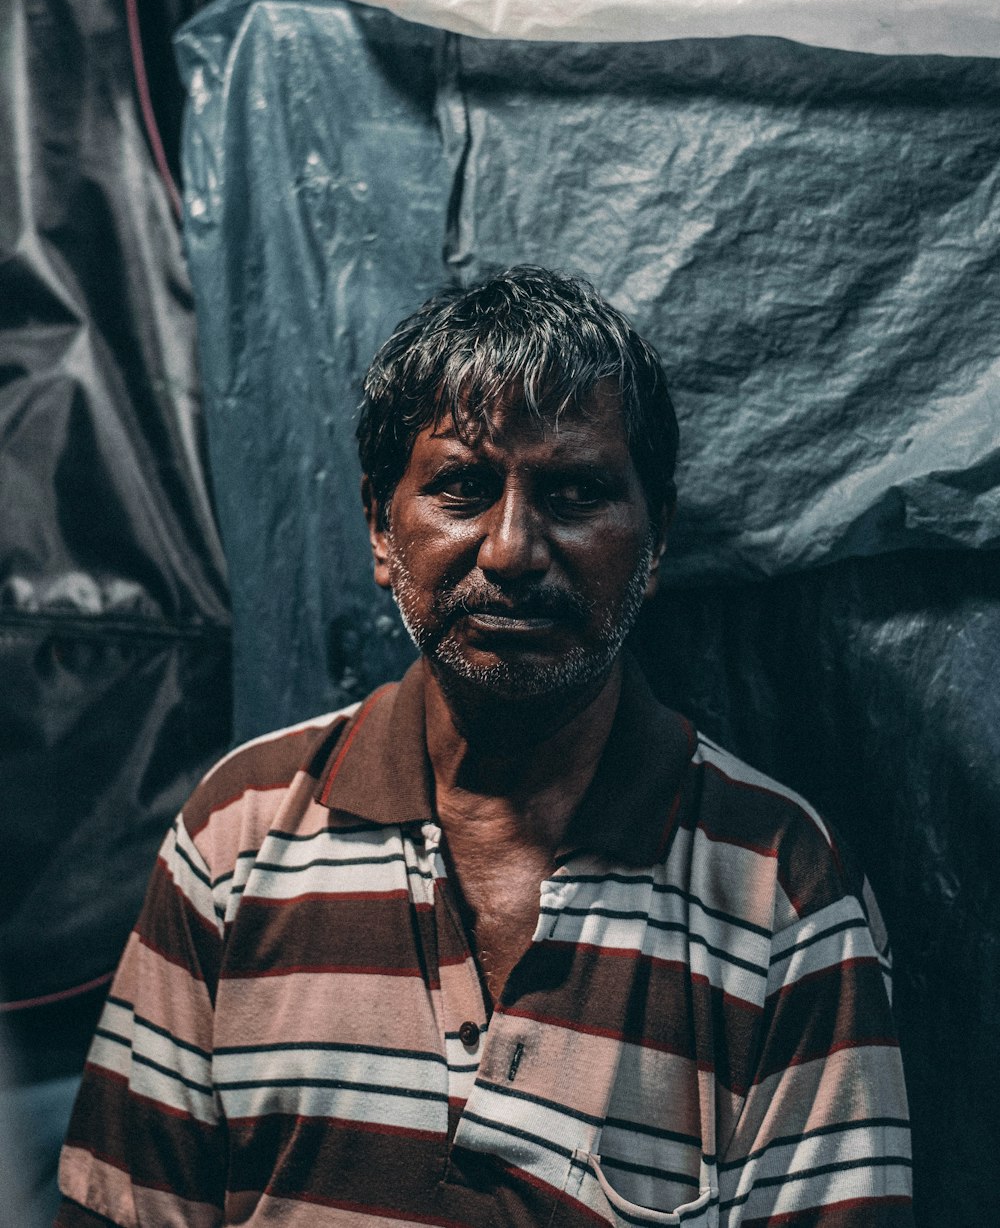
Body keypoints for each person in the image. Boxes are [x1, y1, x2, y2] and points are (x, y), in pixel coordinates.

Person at [56, 266, 913, 1226]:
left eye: (576, 493)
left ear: (657, 538)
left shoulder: (780, 887)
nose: (511, 550)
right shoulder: (240, 833)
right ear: (383, 529)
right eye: (461, 488)